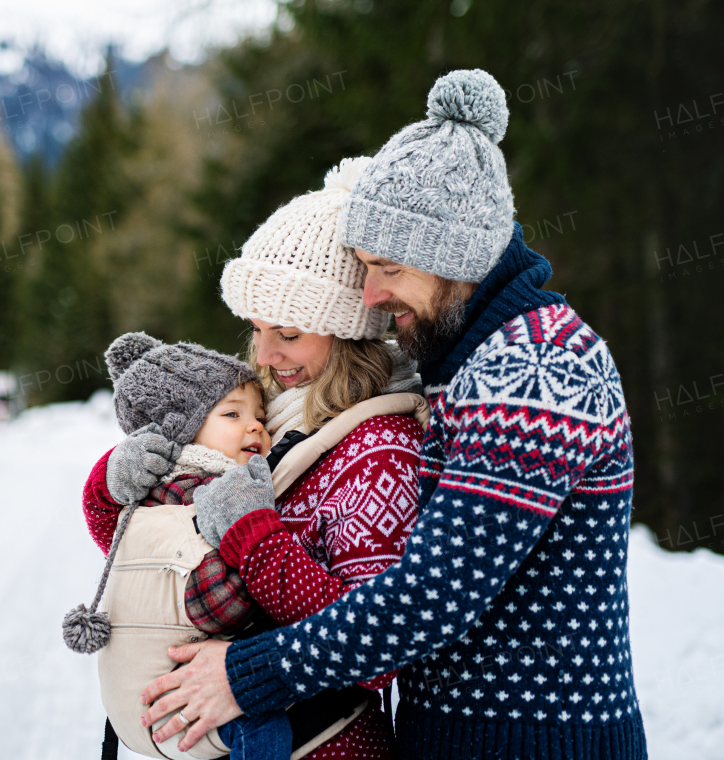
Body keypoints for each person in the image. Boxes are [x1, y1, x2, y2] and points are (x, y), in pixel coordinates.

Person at [138, 69, 648, 760]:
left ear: (456, 257)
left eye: (388, 267)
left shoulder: (537, 369)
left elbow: (432, 595)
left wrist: (249, 674)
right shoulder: (471, 360)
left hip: (534, 744)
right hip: (464, 739)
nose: (372, 294)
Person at [82, 158, 429, 760]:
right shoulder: (267, 414)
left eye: (288, 333)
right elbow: (147, 549)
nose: (265, 355)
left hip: (326, 746)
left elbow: (374, 648)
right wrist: (113, 484)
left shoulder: (378, 454)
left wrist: (253, 538)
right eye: (256, 328)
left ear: (349, 334)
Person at [68, 331, 287, 760]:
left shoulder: (159, 492)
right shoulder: (201, 495)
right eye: (232, 414)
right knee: (266, 721)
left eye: (261, 414)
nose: (256, 425)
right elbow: (221, 606)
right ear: (180, 430)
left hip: (139, 714)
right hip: (181, 705)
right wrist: (257, 532)